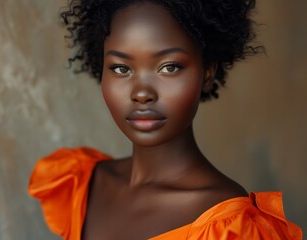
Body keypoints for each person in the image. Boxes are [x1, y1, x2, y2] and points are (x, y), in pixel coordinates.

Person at [28, 0, 303, 239]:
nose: (142, 93)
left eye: (169, 67)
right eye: (121, 68)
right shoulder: (83, 184)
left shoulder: (230, 226)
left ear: (207, 73)